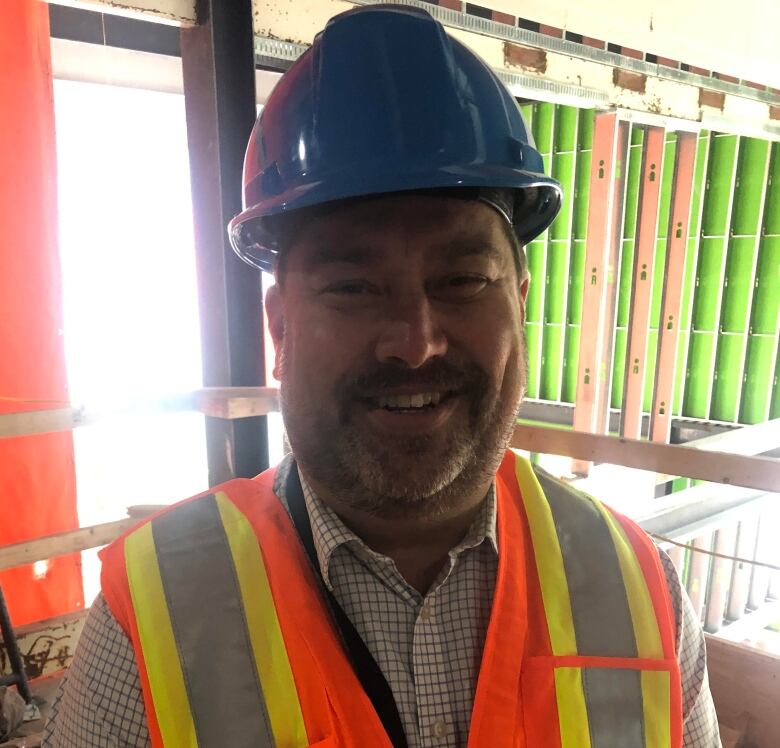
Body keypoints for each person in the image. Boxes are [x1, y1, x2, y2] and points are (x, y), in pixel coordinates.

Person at [44, 5, 720, 747]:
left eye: (462, 280)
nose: (416, 343)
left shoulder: (639, 591)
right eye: (354, 288)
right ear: (280, 329)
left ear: (518, 303)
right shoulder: (157, 610)